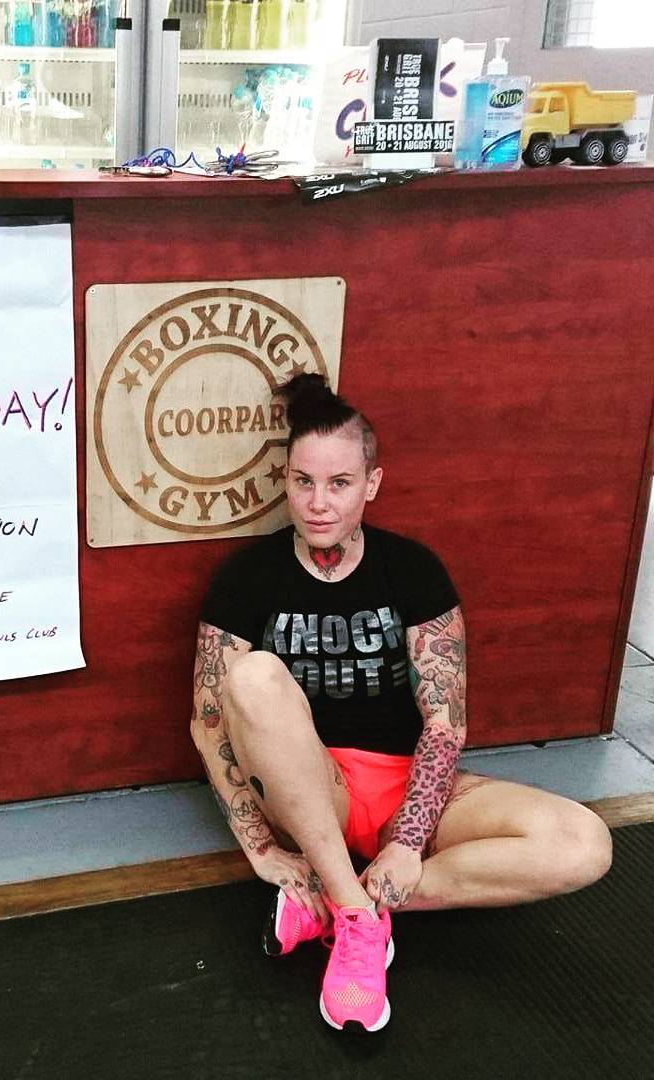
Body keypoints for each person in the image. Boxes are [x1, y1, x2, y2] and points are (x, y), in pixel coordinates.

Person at [190, 373, 612, 1033]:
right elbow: (208, 723)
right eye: (303, 482)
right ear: (285, 481)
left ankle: (343, 907)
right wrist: (260, 849)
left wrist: (410, 842)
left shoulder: (412, 570)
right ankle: (359, 921)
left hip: (401, 788)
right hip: (311, 790)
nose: (318, 504)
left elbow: (445, 723)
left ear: (371, 484)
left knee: (584, 843)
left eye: (339, 483)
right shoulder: (248, 577)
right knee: (252, 678)